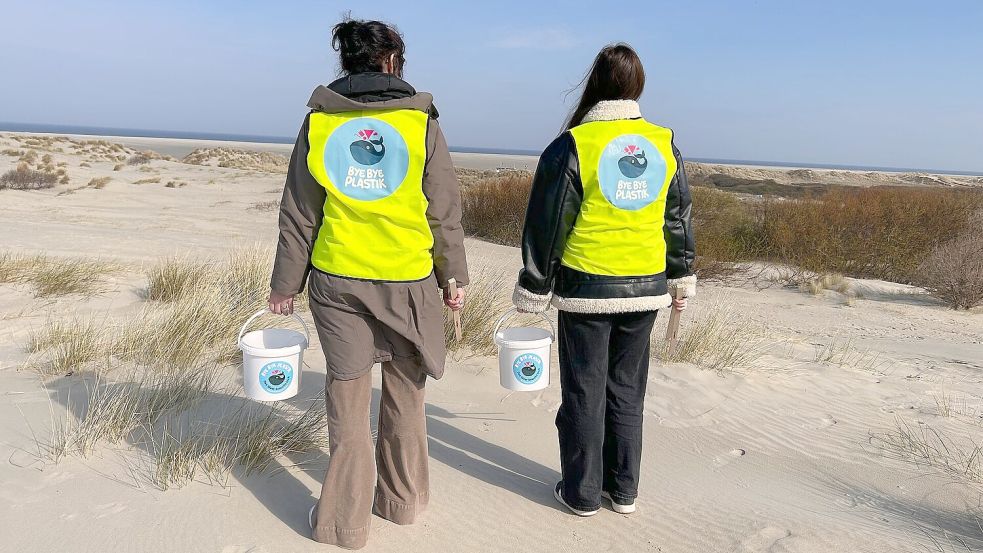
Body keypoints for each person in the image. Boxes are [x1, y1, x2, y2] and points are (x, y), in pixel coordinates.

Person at [267, 18, 468, 549]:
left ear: (349, 63)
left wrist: (285, 285)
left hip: (338, 282)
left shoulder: (319, 124)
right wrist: (454, 276)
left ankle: (342, 525)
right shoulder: (420, 124)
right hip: (407, 281)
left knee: (348, 399)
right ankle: (400, 506)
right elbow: (444, 212)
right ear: (391, 61)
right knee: (406, 396)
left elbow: (299, 215)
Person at [511, 43, 696, 517]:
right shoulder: (662, 142)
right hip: (646, 287)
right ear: (637, 87)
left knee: (584, 393)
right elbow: (676, 218)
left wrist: (535, 284)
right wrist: (680, 276)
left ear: (595, 84)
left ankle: (583, 493)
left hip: (587, 289)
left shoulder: (573, 144)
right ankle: (625, 490)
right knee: (627, 392)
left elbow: (548, 222)